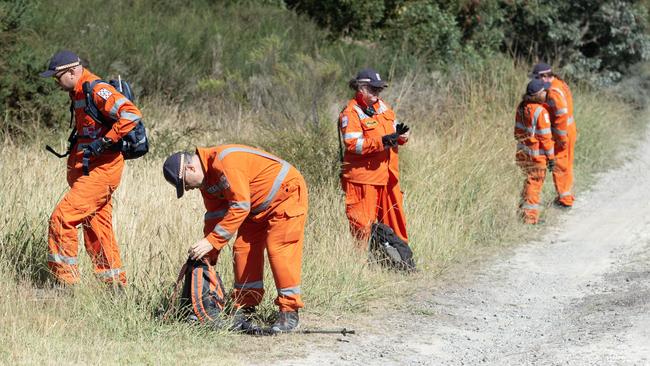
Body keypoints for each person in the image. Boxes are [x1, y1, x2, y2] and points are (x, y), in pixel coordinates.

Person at [163, 144, 308, 333]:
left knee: (278, 248)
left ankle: (289, 312)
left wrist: (212, 242)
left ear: (190, 168)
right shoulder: (207, 181)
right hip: (255, 208)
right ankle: (246, 308)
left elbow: (240, 206)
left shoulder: (226, 162)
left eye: (186, 184)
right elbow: (214, 215)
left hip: (286, 194)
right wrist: (208, 255)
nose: (188, 189)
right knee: (243, 250)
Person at [41, 50, 142, 286]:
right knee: (97, 227)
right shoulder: (78, 91)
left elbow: (131, 114)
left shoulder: (96, 89)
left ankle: (63, 284)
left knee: (62, 218)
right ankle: (115, 287)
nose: (56, 83)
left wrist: (106, 141)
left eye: (58, 77)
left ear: (73, 70)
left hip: (102, 170)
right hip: (88, 171)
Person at [338, 68, 410, 245]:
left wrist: (401, 137)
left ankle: (400, 262)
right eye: (373, 89)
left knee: (395, 222)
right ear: (361, 88)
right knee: (362, 227)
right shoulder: (351, 112)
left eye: (379, 90)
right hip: (364, 179)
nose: (377, 94)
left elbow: (394, 127)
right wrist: (383, 141)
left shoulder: (382, 106)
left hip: (388, 177)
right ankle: (362, 267)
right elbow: (353, 144)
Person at [531, 62, 577, 209]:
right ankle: (566, 195)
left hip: (562, 133)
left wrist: (560, 137)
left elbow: (561, 114)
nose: (537, 81)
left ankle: (564, 201)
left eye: (538, 78)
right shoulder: (559, 83)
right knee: (566, 164)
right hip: (568, 130)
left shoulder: (553, 90)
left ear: (545, 76)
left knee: (560, 165)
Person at [514, 79, 555, 224]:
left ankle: (523, 213)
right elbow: (545, 138)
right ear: (538, 94)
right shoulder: (541, 111)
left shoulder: (521, 107)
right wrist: (551, 158)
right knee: (534, 183)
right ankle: (530, 218)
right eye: (544, 91)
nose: (546, 93)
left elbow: (517, 133)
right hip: (537, 157)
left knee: (527, 182)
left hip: (522, 154)